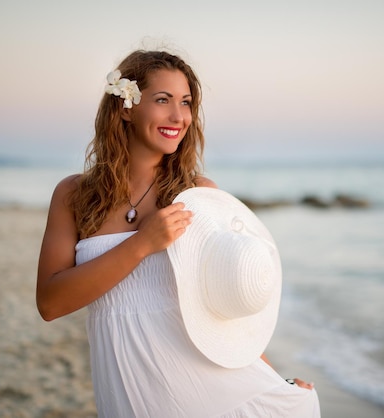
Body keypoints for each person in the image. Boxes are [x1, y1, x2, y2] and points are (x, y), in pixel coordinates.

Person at [36, 49, 320, 417]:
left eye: (186, 103)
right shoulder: (75, 195)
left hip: (203, 392)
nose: (179, 116)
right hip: (129, 388)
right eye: (162, 100)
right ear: (125, 108)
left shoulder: (200, 195)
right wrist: (141, 244)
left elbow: (222, 309)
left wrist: (272, 378)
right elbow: (50, 303)